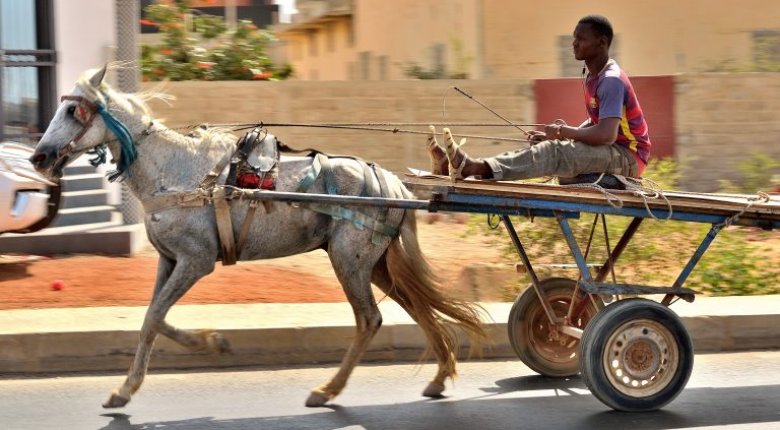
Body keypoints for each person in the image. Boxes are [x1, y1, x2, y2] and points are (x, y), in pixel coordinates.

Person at [428, 15, 651, 182]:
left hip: (629, 157)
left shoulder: (611, 80)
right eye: (574, 38)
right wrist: (555, 137)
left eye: (581, 39)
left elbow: (605, 134)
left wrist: (563, 133)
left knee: (555, 153)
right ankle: (455, 165)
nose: (574, 43)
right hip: (612, 151)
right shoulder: (593, 76)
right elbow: (596, 123)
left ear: (602, 43)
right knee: (550, 147)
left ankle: (473, 168)